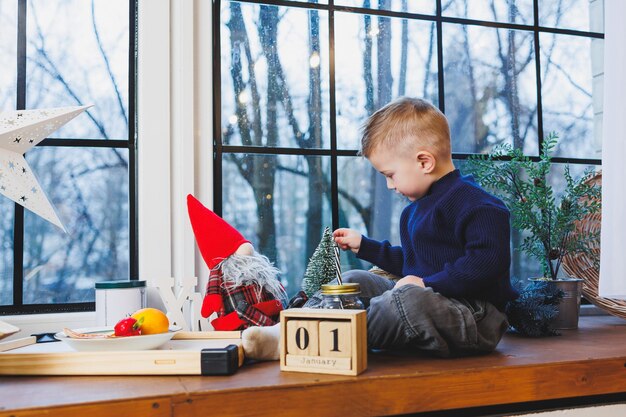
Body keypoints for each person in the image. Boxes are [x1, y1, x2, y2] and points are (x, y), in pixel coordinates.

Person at [242, 97, 518, 359]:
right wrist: (366, 246)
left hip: (475, 316)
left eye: (390, 175)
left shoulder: (480, 206)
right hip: (428, 297)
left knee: (408, 299)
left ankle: (314, 341)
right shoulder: (414, 210)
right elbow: (413, 264)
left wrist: (425, 284)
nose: (390, 185)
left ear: (425, 162)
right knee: (353, 280)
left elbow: (486, 264)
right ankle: (291, 330)